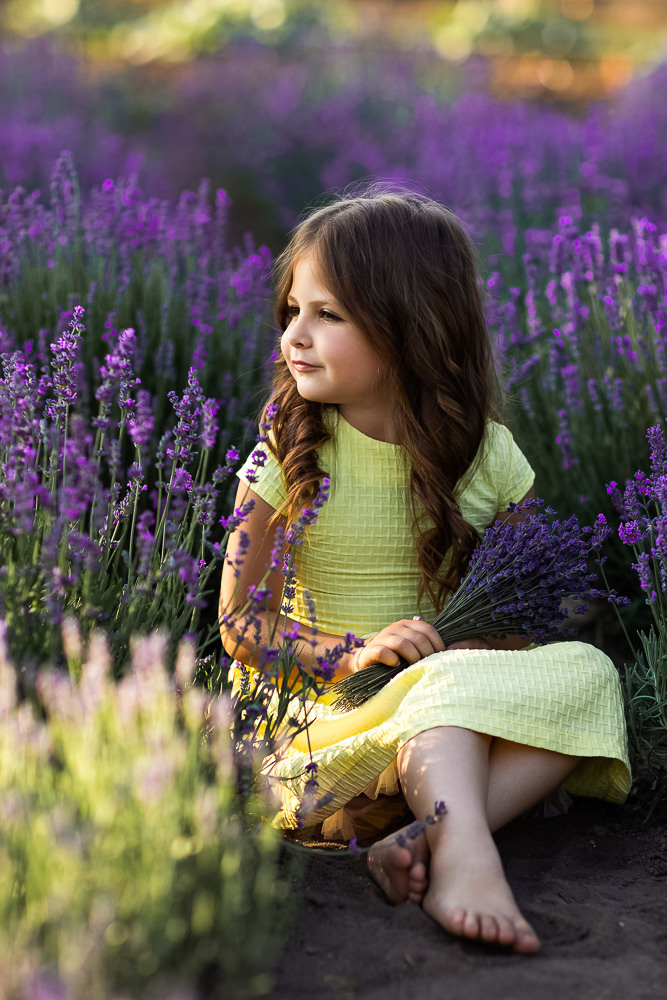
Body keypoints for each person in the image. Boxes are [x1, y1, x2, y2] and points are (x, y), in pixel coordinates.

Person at [219, 188, 631, 955]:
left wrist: (487, 650)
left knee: (587, 672)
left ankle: (414, 834)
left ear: (411, 327)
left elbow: (520, 614)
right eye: (291, 311)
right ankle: (465, 857)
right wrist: (351, 652)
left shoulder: (490, 457)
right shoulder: (285, 450)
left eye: (327, 315)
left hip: (442, 700)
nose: (293, 338)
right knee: (448, 695)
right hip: (325, 721)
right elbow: (240, 622)